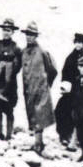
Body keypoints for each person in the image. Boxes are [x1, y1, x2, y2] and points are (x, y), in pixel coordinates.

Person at [18, 21, 57, 156]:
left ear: (36, 36)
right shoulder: (23, 52)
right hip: (29, 90)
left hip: (40, 90)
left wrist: (46, 85)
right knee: (32, 115)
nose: (29, 37)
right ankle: (37, 142)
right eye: (27, 34)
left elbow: (53, 70)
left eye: (32, 35)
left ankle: (39, 144)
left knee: (40, 116)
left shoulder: (42, 52)